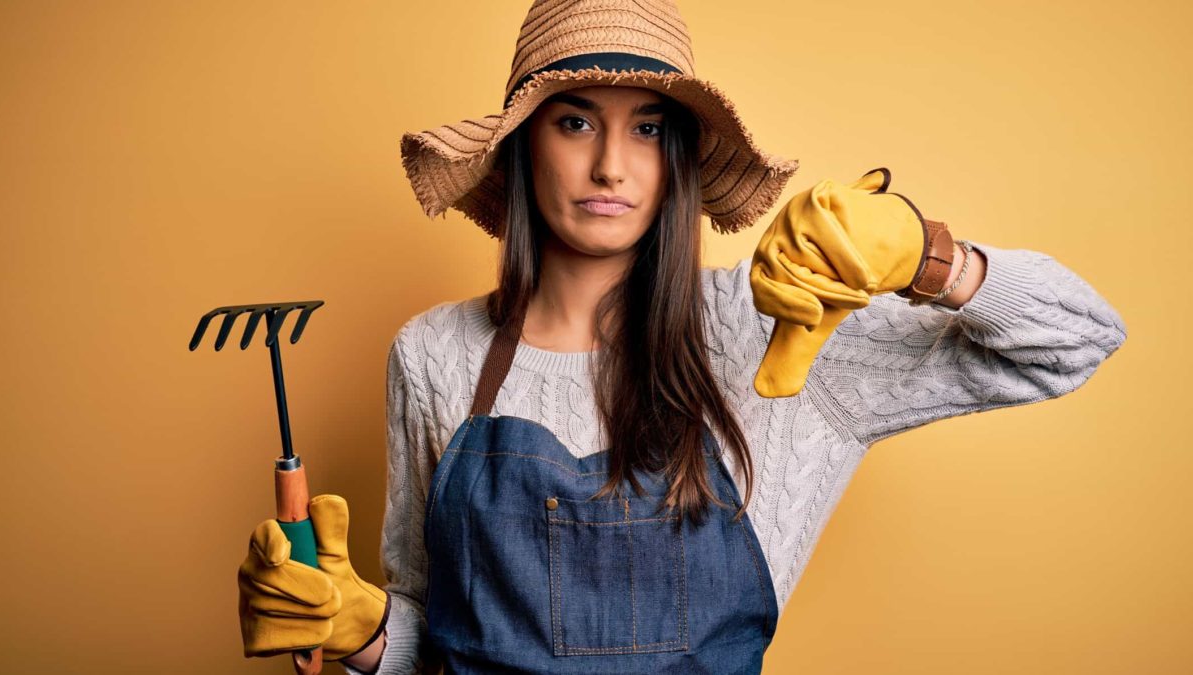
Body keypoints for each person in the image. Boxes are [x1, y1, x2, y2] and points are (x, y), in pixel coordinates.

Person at [236, 1, 1129, 674]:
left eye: (649, 127)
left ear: (681, 161)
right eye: (575, 119)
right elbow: (435, 635)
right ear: (524, 146)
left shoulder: (780, 324)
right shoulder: (434, 353)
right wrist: (362, 631)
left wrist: (930, 259)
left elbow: (1079, 338)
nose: (611, 165)